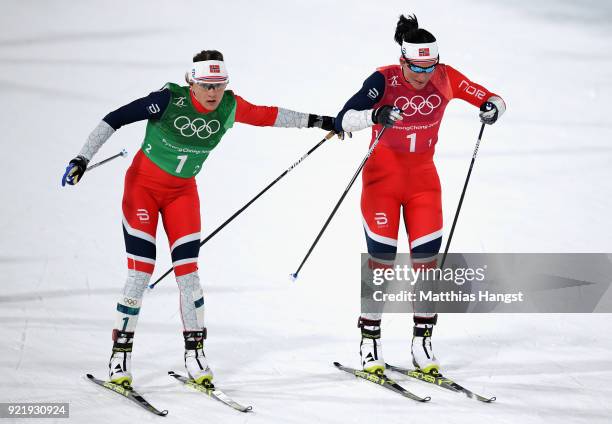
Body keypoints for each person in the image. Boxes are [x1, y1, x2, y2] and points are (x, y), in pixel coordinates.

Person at [61, 49, 337, 387]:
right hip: (142, 191)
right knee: (140, 272)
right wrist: (82, 157)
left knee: (189, 274)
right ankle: (120, 355)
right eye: (206, 85)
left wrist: (323, 121)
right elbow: (114, 118)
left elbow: (271, 115)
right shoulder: (166, 101)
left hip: (182, 196)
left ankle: (195, 354)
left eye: (219, 85)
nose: (212, 93)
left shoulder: (228, 106)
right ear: (191, 81)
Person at [334, 15, 506, 375]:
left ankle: (422, 342)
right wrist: (376, 114)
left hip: (423, 183)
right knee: (381, 262)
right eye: (416, 67)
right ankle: (369, 342)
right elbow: (344, 117)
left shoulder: (445, 77)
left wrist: (493, 106)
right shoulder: (383, 79)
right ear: (402, 60)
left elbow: (489, 96)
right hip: (381, 183)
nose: (423, 75)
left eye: (430, 66)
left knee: (426, 263)